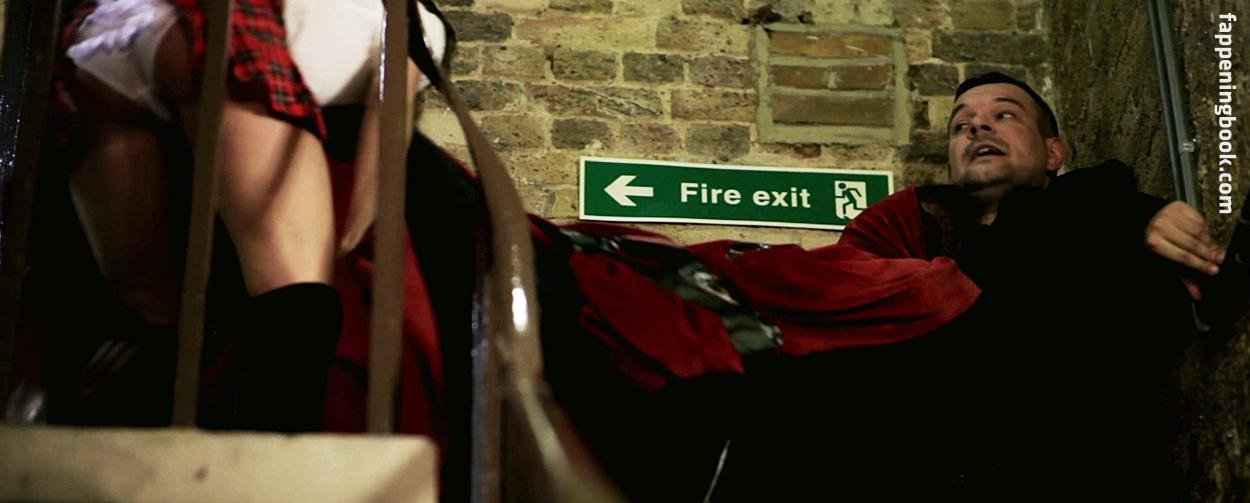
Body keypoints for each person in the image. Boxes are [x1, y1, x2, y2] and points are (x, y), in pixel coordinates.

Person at [44, 0, 451, 432]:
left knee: (150, 322)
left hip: (104, 36)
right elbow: (389, 116)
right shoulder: (408, 19)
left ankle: (127, 443)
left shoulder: (398, 23)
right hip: (212, 32)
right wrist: (358, 231)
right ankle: (265, 457)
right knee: (295, 305)